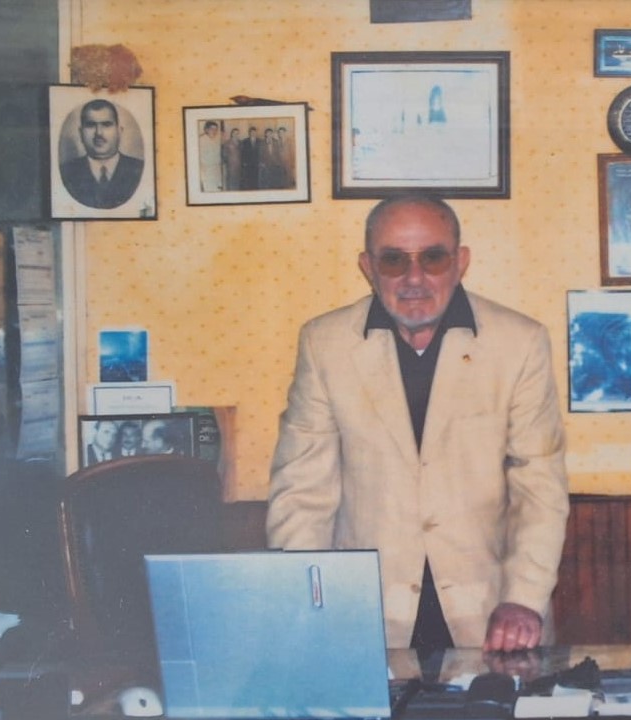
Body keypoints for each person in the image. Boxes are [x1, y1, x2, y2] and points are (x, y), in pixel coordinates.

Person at [266, 194, 569, 654]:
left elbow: (540, 485)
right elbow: (302, 493)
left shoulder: (520, 343)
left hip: (494, 618)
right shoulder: (324, 344)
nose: (414, 278)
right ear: (368, 267)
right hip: (365, 615)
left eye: (433, 258)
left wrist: (523, 600)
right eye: (393, 260)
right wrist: (310, 605)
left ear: (460, 262)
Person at [59, 98, 144, 209]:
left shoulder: (138, 169)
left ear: (119, 131)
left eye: (106, 124)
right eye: (90, 125)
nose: (98, 133)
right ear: (81, 133)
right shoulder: (66, 172)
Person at [198, 120, 223, 192]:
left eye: (216, 129)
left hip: (216, 171)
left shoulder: (215, 140)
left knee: (217, 190)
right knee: (209, 190)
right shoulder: (201, 140)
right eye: (212, 129)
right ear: (207, 129)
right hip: (207, 172)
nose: (214, 131)